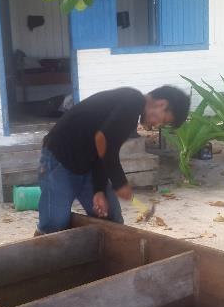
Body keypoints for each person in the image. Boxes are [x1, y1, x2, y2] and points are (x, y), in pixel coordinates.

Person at [36, 86, 190, 234]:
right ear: (161, 104)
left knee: (111, 218)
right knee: (54, 224)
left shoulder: (131, 113)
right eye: (162, 120)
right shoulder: (133, 100)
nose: (156, 125)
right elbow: (103, 141)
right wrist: (120, 183)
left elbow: (103, 150)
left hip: (87, 164)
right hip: (59, 160)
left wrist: (99, 190)